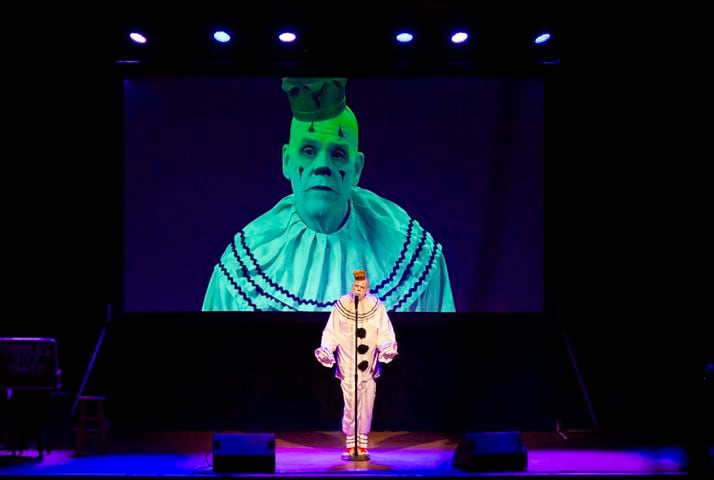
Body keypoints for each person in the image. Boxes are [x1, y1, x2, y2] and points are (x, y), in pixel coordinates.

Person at [202, 77, 455, 312]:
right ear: (287, 161)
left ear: (356, 169)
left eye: (338, 154)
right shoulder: (248, 265)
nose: (323, 166)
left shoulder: (406, 252)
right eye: (309, 151)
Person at [314, 269, 398, 460]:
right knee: (351, 403)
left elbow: (384, 333)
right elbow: (331, 332)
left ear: (367, 289)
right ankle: (351, 443)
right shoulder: (341, 305)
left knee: (367, 403)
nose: (358, 289)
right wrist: (326, 349)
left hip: (368, 366)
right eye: (355, 286)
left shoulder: (377, 307)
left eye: (362, 286)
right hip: (348, 364)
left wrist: (386, 347)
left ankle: (362, 444)